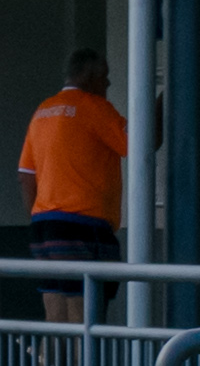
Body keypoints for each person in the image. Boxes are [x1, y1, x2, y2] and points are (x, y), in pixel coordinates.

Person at [18, 44, 132, 307]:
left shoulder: (42, 111)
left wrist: (38, 219)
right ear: (89, 77)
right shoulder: (94, 107)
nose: (108, 83)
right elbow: (140, 143)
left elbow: (25, 175)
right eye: (104, 76)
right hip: (83, 228)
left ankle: (50, 351)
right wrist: (163, 102)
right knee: (86, 325)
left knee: (57, 324)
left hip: (44, 230)